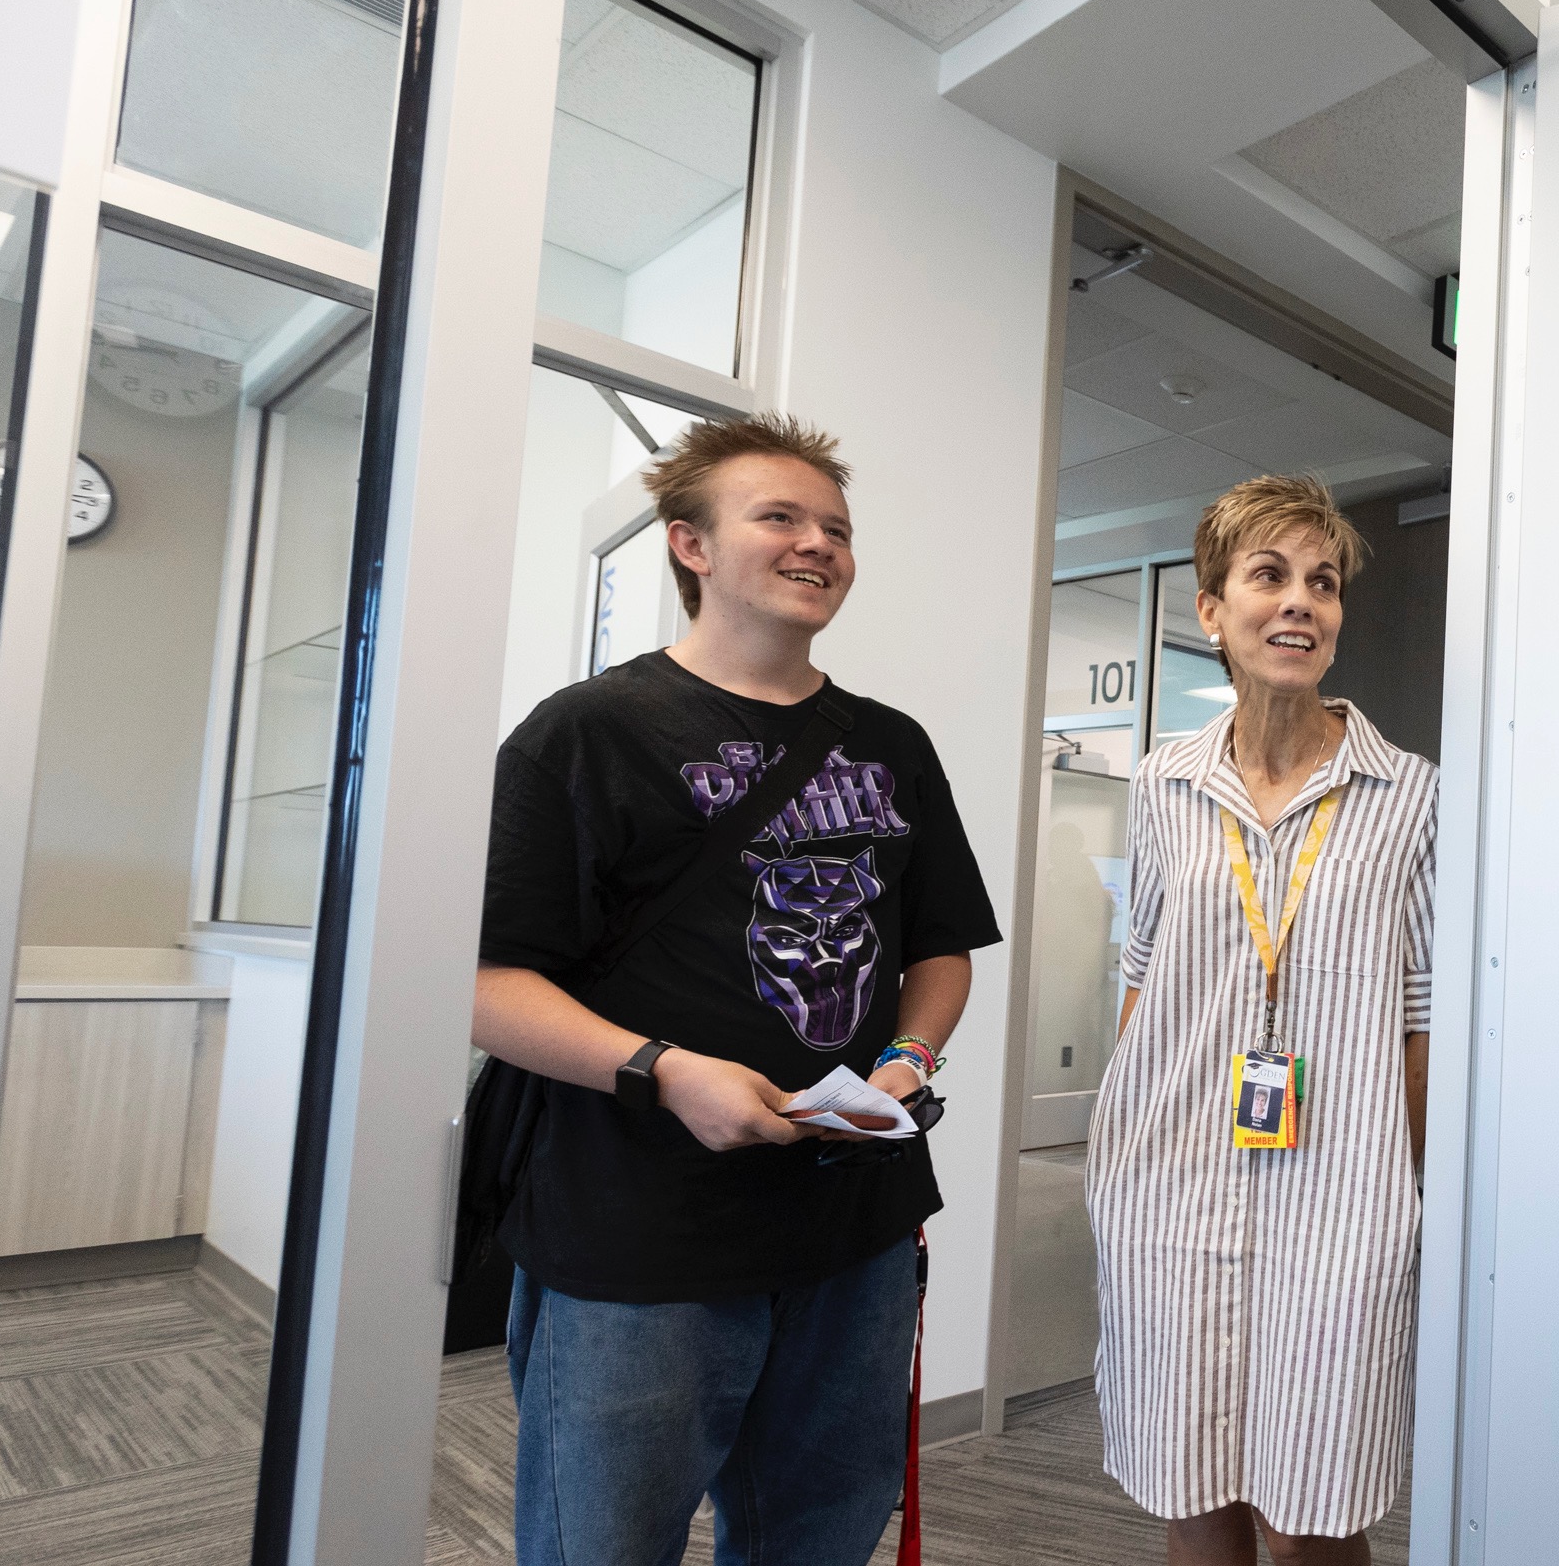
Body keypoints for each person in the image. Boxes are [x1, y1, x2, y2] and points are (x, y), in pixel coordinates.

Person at [475, 413, 1000, 1565]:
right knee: (603, 1542)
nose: (819, 544)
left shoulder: (891, 743)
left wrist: (910, 1061)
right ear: (692, 545)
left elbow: (942, 947)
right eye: (781, 517)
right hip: (639, 1229)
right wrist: (666, 1072)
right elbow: (488, 984)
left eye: (838, 528)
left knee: (816, 1534)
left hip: (853, 1221)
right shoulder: (587, 732)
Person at [1087, 474, 1437, 1566]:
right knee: (1194, 1491)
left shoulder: (1414, 796)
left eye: (1322, 582)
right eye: (1269, 575)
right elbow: (1143, 969)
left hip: (1342, 1199)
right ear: (1212, 609)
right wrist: (1120, 1144)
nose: (1300, 602)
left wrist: (1405, 1186)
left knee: (1312, 1515)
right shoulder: (1162, 783)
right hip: (1170, 1188)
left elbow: (1423, 1016)